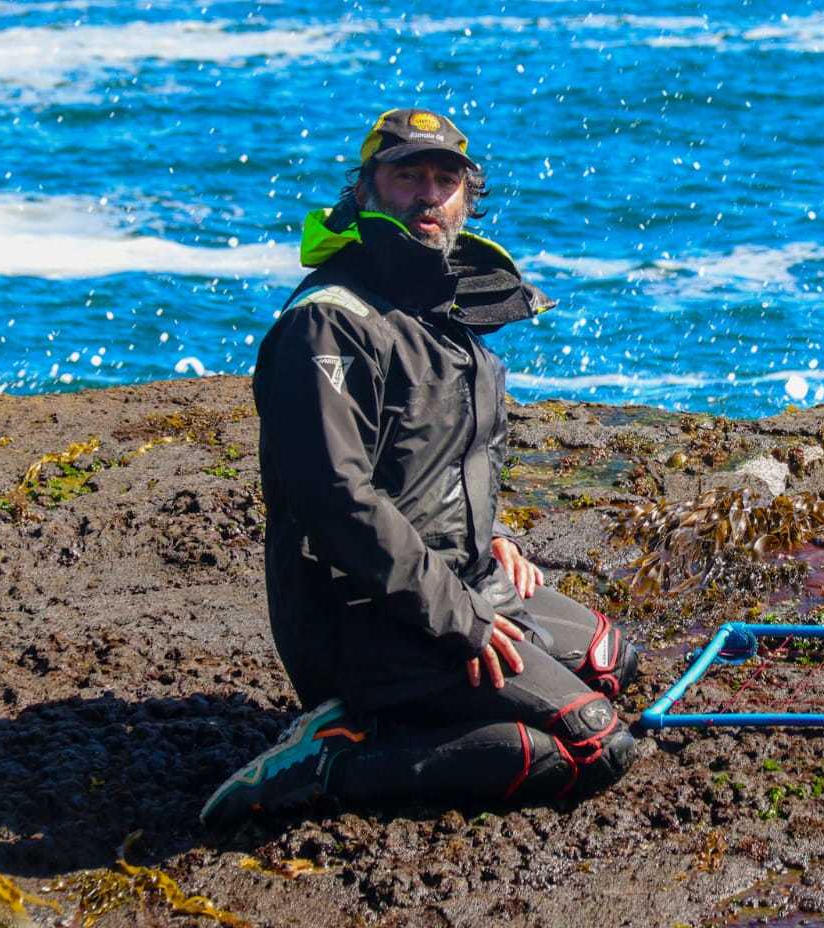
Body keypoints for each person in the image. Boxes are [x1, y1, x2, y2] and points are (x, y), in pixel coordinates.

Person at [201, 108, 640, 826]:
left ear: (467, 198)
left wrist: (492, 531)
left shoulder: (439, 301)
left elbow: (456, 445)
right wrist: (458, 621)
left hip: (461, 577)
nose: (428, 194)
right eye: (407, 175)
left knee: (607, 658)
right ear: (366, 190)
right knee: (589, 747)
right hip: (366, 618)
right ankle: (332, 759)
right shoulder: (330, 321)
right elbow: (339, 500)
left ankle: (391, 719)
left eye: (445, 179)